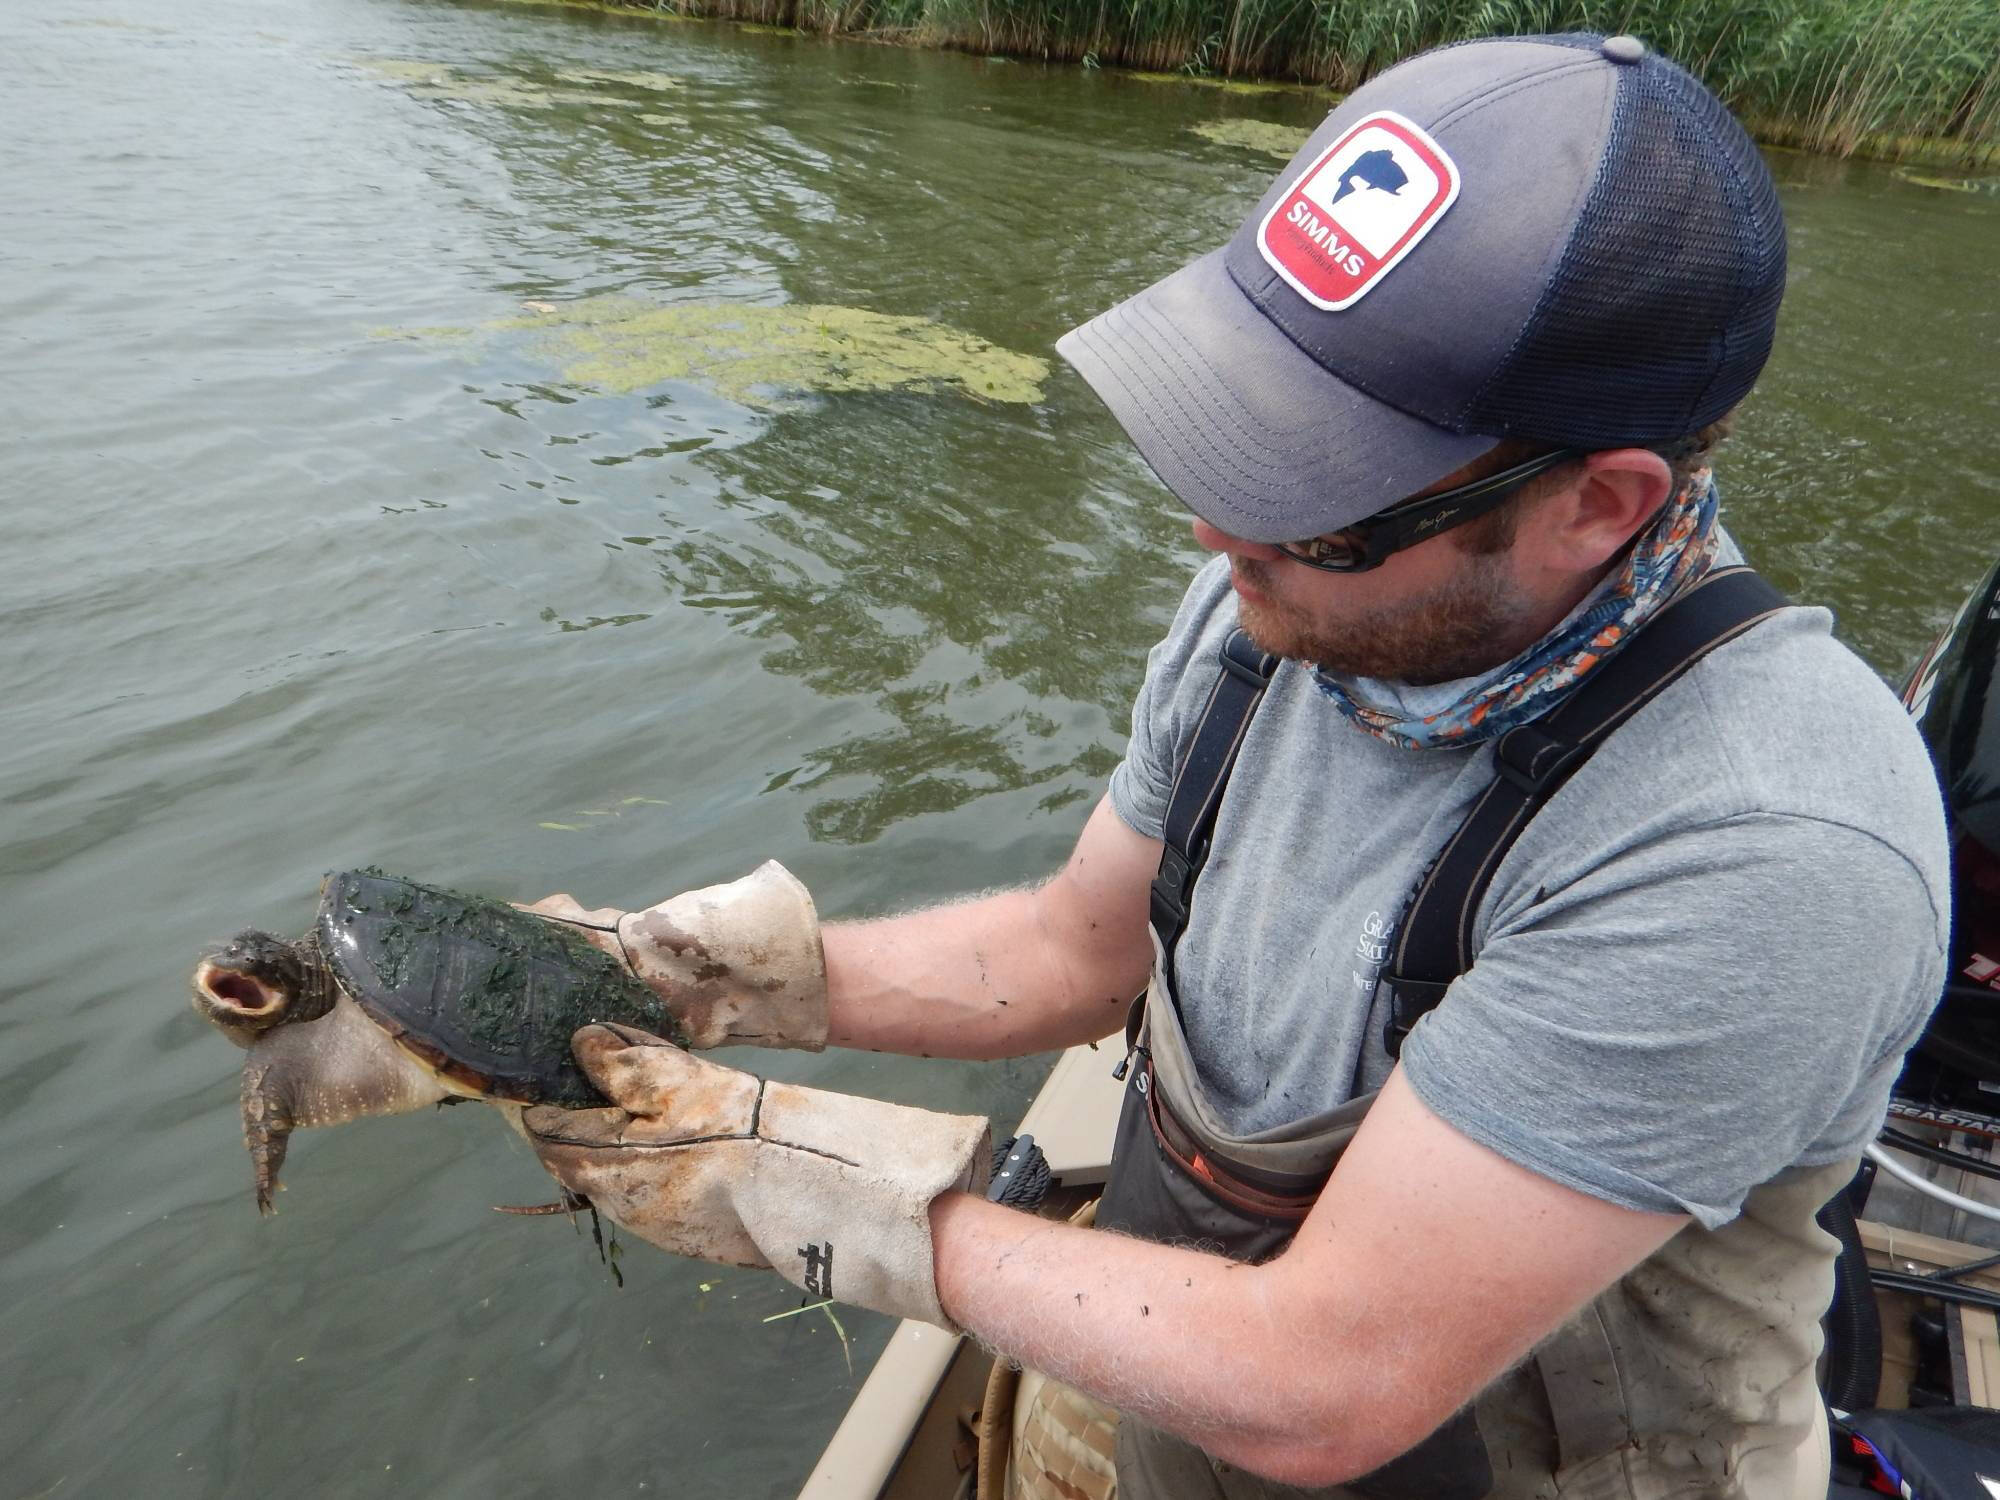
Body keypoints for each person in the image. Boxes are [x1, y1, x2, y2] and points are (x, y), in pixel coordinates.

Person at [520, 32, 1952, 1500]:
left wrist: (790, 1184)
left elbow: (1320, 1384)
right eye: (1243, 445)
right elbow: (1071, 949)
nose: (1219, 537)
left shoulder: (1766, 845)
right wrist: (689, 978)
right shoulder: (1288, 608)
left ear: (1599, 504)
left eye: (1315, 497)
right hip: (1185, 1417)